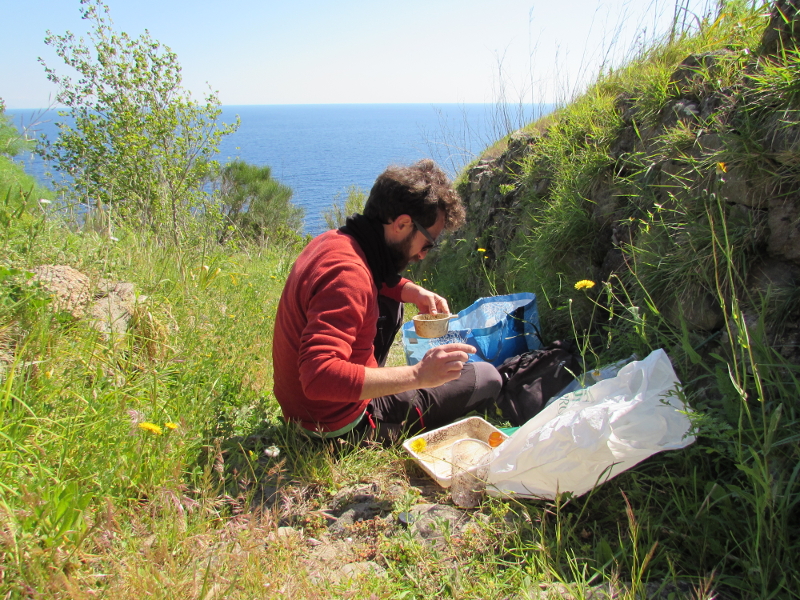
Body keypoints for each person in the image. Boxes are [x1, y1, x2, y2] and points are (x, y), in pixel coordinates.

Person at [272, 159, 502, 443]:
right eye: (427, 243)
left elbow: (379, 275)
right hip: (337, 425)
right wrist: (418, 375)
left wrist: (413, 291)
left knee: (393, 301)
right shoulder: (349, 276)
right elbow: (318, 377)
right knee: (487, 376)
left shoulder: (334, 242)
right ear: (402, 224)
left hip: (303, 412)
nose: (422, 255)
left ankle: (376, 382)